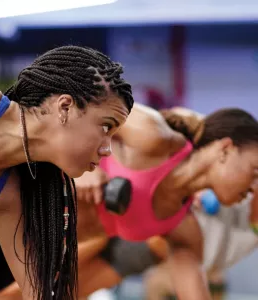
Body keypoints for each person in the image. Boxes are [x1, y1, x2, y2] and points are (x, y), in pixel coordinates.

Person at [0, 45, 134, 300]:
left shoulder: (9, 193)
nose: (107, 150)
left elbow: (38, 294)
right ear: (65, 107)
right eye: (106, 126)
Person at [75, 103, 258, 300]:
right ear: (226, 149)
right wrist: (74, 168)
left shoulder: (184, 230)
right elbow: (77, 101)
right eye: (255, 171)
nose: (254, 187)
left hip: (47, 247)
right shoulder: (153, 135)